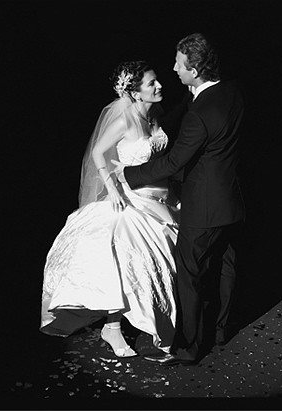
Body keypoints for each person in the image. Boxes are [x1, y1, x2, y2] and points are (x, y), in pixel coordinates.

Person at [116, 33, 246, 366]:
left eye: (179, 64)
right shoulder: (230, 91)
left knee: (191, 277)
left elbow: (174, 162)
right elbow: (190, 110)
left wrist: (129, 174)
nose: (173, 69)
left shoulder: (199, 115)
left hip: (204, 209)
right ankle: (221, 331)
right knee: (225, 267)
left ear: (195, 70)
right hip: (232, 201)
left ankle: (189, 348)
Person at [40, 61, 180, 358]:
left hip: (161, 198)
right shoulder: (124, 120)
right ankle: (113, 327)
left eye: (157, 80)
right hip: (132, 198)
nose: (159, 85)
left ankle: (154, 319)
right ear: (135, 92)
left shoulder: (155, 113)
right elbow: (97, 152)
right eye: (151, 83)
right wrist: (112, 188)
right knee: (125, 258)